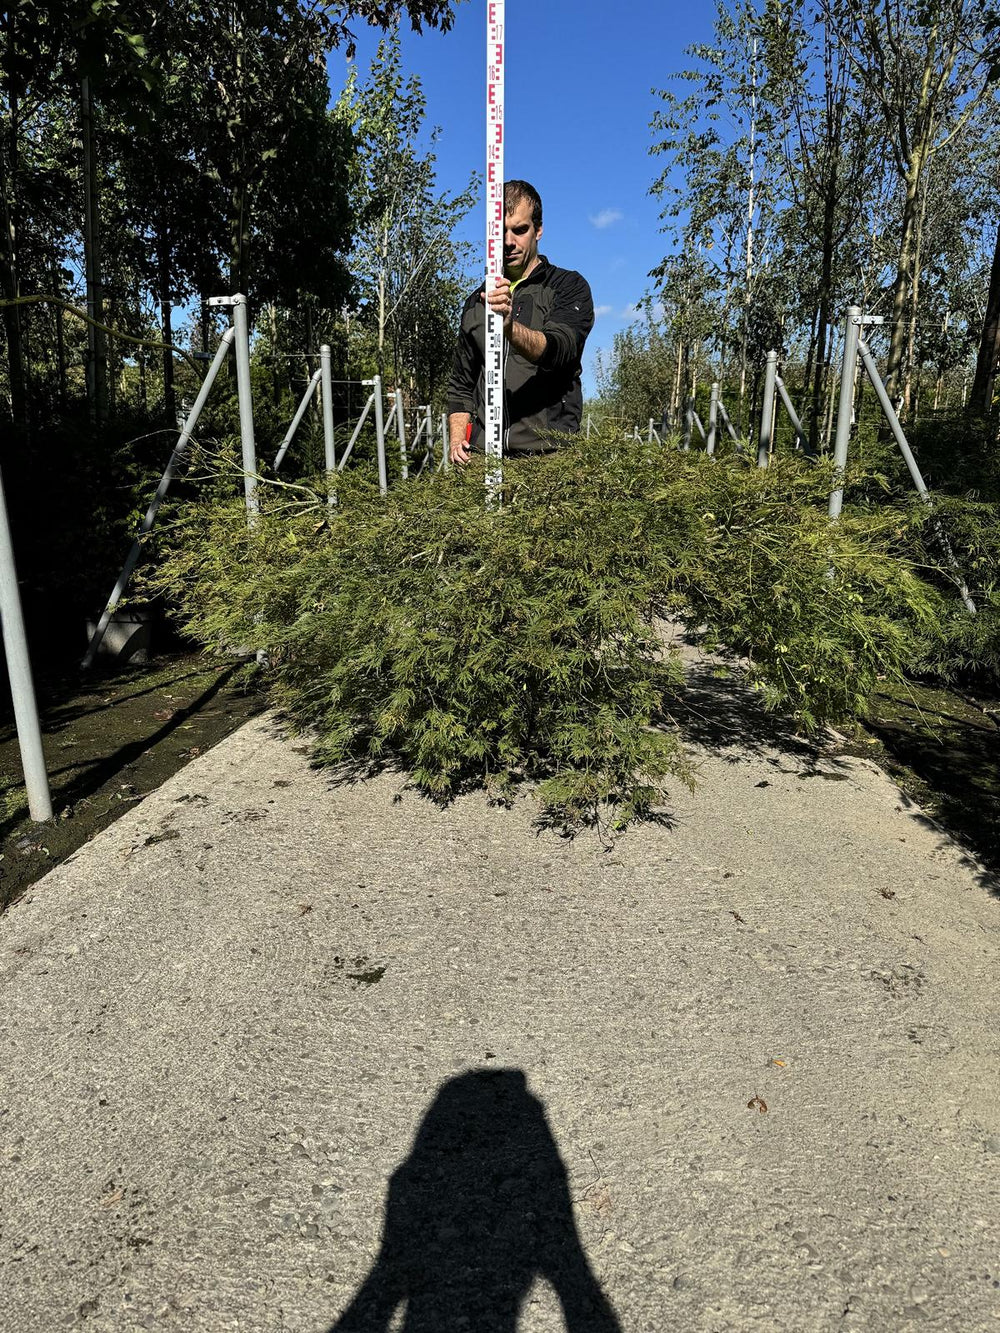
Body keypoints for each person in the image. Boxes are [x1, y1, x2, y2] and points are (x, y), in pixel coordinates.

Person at [447, 180, 595, 464]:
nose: (508, 242)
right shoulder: (476, 302)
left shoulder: (567, 287)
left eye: (519, 229)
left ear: (538, 230)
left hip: (547, 460)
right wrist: (456, 440)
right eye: (500, 231)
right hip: (482, 458)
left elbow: (560, 350)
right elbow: (461, 385)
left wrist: (509, 329)